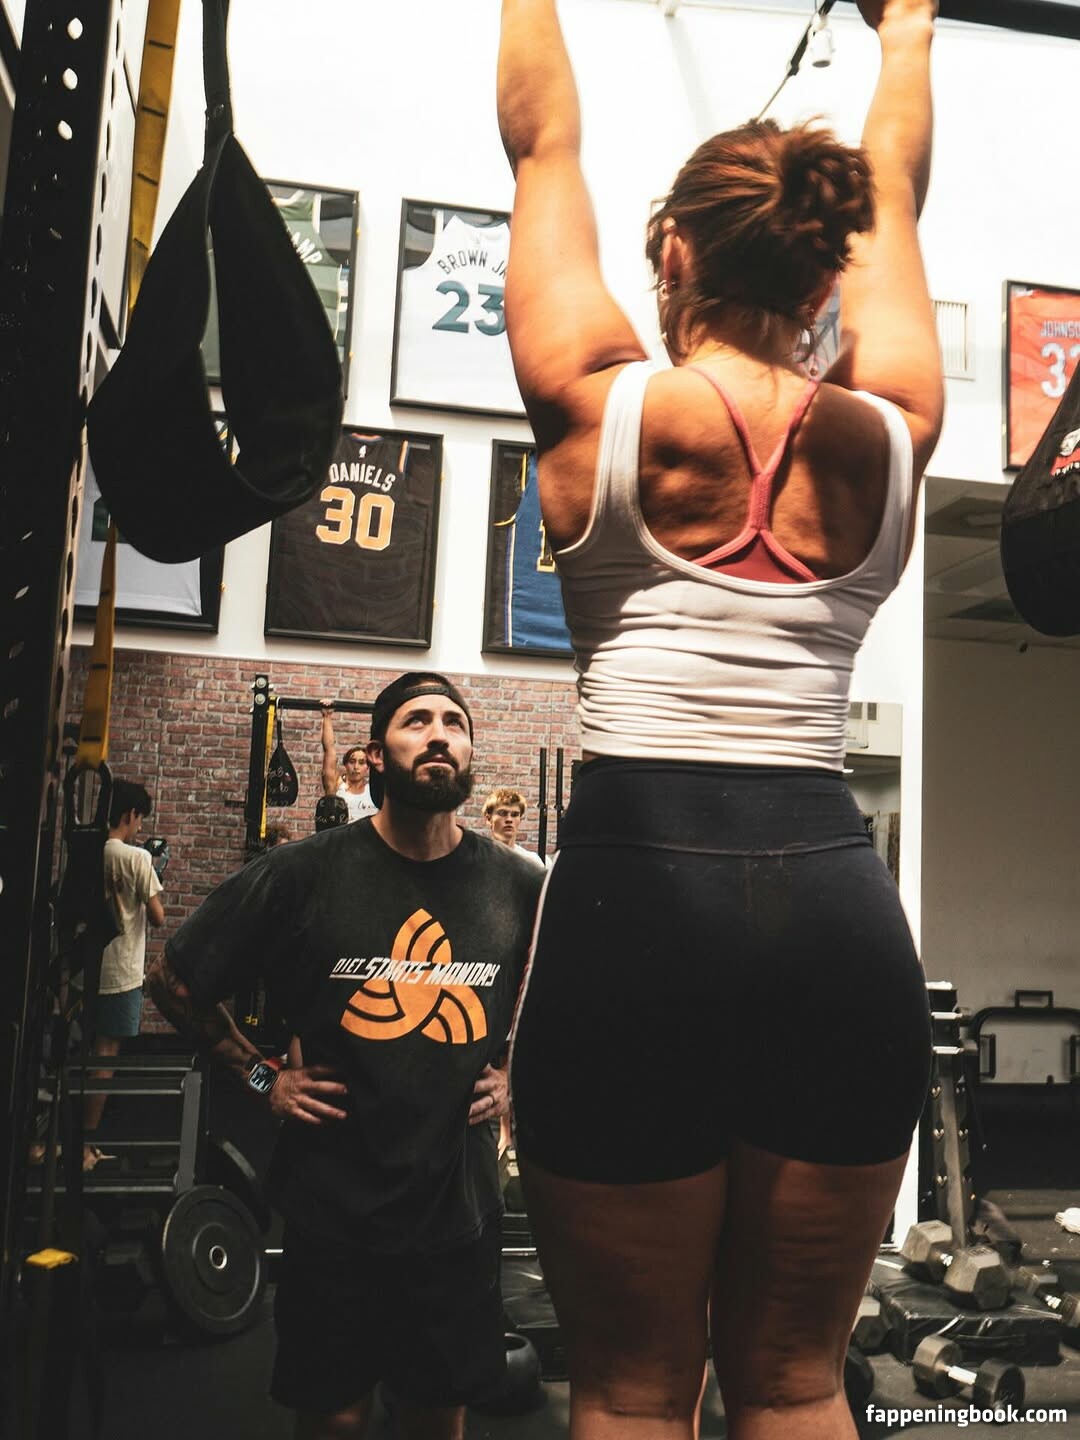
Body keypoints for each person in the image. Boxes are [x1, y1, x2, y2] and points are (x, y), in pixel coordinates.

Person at [497, 1, 943, 1437]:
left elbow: (541, 141)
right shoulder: (895, 429)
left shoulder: (596, 405)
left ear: (672, 251)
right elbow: (898, 195)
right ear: (828, 269)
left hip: (636, 903)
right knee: (797, 1382)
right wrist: (911, 33)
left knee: (633, 1394)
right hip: (834, 914)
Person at [146, 672, 544, 1440]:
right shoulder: (304, 872)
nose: (439, 734)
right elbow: (173, 981)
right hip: (334, 1208)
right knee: (334, 1417)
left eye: (454, 723)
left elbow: (562, 999)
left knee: (436, 1415)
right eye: (416, 720)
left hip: (457, 1212)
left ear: (470, 753)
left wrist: (514, 1077)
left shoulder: (518, 882)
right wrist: (262, 1076)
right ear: (377, 755)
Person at [85, 778, 165, 1170]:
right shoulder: (137, 858)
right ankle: (85, 1145)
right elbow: (158, 916)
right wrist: (154, 872)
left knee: (82, 1052)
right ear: (130, 814)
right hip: (121, 971)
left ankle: (61, 1138)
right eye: (140, 819)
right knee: (106, 1056)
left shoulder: (90, 851)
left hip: (86, 969)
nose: (140, 827)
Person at [320, 698, 377, 821]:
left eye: (361, 763)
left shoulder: (375, 791)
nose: (356, 767)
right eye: (352, 762)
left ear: (368, 767)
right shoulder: (336, 786)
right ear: (345, 765)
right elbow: (329, 749)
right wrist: (327, 716)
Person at [482, 787, 547, 868]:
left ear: (520, 819)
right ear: (488, 819)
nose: (509, 819)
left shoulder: (532, 862)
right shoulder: (477, 859)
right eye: (502, 813)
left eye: (515, 815)